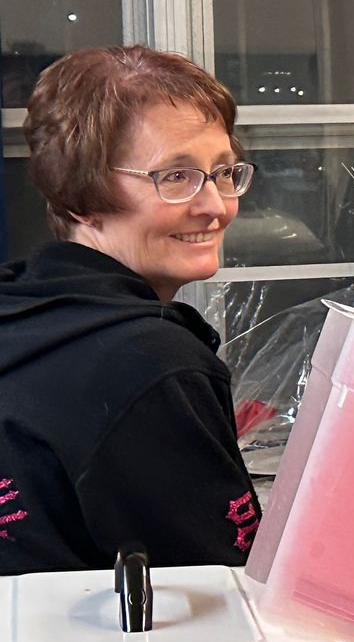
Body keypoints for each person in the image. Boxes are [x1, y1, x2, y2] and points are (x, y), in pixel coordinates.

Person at [0, 46, 260, 574]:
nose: (215, 205)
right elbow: (223, 588)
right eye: (175, 177)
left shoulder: (22, 306)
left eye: (223, 172)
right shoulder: (149, 363)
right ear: (79, 197)